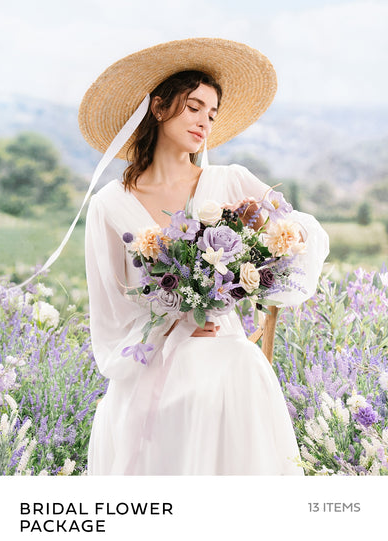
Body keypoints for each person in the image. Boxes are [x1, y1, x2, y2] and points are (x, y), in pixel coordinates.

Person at [79, 38, 329, 475]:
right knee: (152, 409)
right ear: (158, 107)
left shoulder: (229, 182)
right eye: (193, 107)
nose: (204, 122)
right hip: (151, 358)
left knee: (230, 376)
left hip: (225, 352)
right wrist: (170, 322)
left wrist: (252, 271)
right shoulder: (109, 205)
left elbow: (300, 231)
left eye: (211, 114)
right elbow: (109, 306)